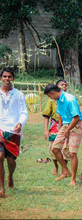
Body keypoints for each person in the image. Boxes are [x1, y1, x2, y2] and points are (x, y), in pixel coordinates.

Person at [44, 83, 82, 186]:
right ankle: (66, 171)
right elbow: (60, 114)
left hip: (76, 125)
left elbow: (76, 117)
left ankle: (73, 179)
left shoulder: (70, 99)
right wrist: (60, 128)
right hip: (65, 125)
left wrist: (67, 130)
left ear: (53, 93)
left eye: (49, 96)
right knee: (55, 148)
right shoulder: (58, 100)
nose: (50, 98)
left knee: (72, 153)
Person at [0, 67, 28, 197]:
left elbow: (24, 112)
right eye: (4, 76)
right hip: (0, 129)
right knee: (0, 157)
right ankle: (1, 188)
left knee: (11, 160)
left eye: (9, 76)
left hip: (13, 131)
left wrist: (20, 123)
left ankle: (10, 175)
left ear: (13, 79)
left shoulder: (18, 94)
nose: (7, 79)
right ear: (1, 78)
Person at [43, 79, 69, 175]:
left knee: (65, 147)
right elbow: (46, 116)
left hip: (66, 125)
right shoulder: (51, 101)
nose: (64, 87)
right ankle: (56, 166)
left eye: (65, 85)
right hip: (55, 126)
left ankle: (64, 168)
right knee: (53, 148)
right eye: (62, 85)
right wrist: (46, 130)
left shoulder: (68, 99)